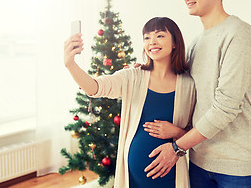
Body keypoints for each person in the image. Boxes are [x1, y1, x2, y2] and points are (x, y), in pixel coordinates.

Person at [143, 0, 251, 188]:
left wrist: (177, 146)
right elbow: (188, 94)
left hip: (236, 166)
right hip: (200, 161)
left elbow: (225, 107)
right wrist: (143, 69)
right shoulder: (195, 43)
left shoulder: (239, 34)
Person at [63, 17, 196, 188]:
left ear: (175, 42)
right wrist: (70, 64)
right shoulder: (133, 76)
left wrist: (176, 131)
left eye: (160, 36)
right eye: (147, 37)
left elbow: (197, 135)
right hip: (133, 178)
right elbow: (94, 88)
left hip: (171, 176)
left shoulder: (188, 85)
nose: (152, 42)